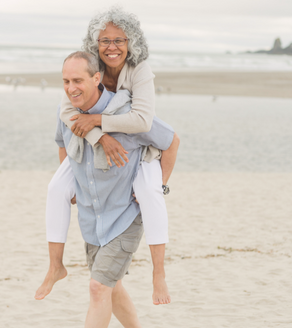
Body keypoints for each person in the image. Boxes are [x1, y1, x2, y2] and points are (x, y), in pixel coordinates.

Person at [35, 7, 180, 305]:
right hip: (88, 141)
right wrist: (97, 135)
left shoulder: (140, 70)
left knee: (149, 192)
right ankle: (54, 266)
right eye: (104, 41)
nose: (111, 47)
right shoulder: (85, 69)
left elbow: (141, 121)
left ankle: (159, 273)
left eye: (119, 40)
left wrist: (100, 122)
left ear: (131, 42)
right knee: (55, 189)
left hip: (139, 142)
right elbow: (66, 113)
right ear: (95, 44)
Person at [52, 51, 175, 327]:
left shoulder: (126, 113)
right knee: (111, 286)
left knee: (98, 288)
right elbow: (63, 142)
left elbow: (171, 141)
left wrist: (158, 185)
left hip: (125, 215)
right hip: (92, 217)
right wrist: (71, 183)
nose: (71, 88)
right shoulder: (68, 112)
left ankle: (160, 274)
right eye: (65, 81)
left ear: (97, 78)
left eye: (77, 80)